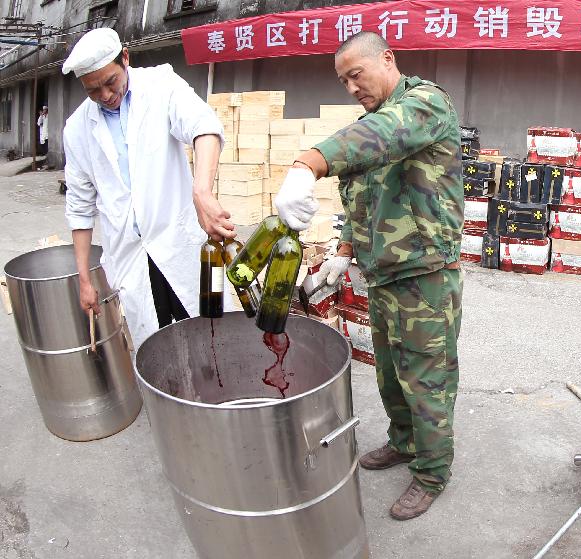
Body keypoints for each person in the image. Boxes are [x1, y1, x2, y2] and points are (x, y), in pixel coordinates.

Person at [274, 31, 464, 520]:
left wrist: (307, 163)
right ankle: (403, 443)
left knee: (426, 378)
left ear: (387, 59)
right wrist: (342, 252)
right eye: (343, 82)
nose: (352, 87)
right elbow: (361, 201)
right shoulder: (371, 124)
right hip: (381, 275)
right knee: (389, 374)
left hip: (425, 276)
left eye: (356, 75)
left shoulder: (424, 106)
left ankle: (432, 472)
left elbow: (382, 137)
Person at [62, 28, 233, 350]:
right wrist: (85, 280)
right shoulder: (77, 128)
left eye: (111, 82)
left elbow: (204, 127)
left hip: (178, 241)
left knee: (208, 334)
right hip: (129, 253)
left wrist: (202, 192)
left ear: (125, 58)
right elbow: (80, 207)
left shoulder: (161, 85)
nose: (105, 95)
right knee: (157, 349)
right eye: (92, 90)